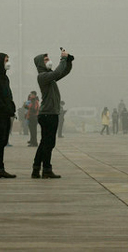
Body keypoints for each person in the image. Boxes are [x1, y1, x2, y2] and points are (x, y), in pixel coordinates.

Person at [32, 49, 73, 179]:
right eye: (45, 60)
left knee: (45, 143)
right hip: (48, 114)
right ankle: (46, 170)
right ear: (40, 63)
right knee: (49, 143)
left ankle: (36, 169)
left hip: (49, 114)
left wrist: (69, 61)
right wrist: (63, 59)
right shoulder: (43, 77)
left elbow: (63, 72)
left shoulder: (49, 77)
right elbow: (57, 72)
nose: (48, 61)